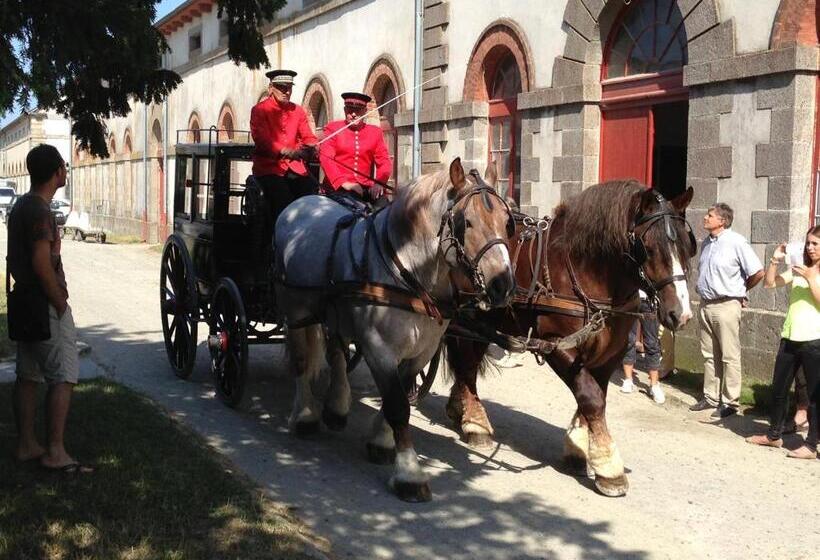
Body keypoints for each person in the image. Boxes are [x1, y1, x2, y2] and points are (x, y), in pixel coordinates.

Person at [7, 144, 91, 474]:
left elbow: (27, 260)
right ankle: (55, 451)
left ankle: (27, 443)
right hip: (43, 305)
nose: (65, 172)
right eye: (64, 167)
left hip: (24, 302)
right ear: (57, 172)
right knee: (63, 376)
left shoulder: (21, 206)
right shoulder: (41, 212)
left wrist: (54, 252)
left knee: (27, 375)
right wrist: (59, 303)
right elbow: (41, 264)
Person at [745, 227, 820, 459]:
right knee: (779, 389)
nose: (810, 248)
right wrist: (775, 261)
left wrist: (811, 279)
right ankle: (773, 435)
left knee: (815, 396)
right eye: (808, 243)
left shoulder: (810, 274)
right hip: (790, 336)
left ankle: (811, 445)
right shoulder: (799, 270)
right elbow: (770, 284)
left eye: (816, 244)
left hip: (814, 339)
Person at [690, 203, 763, 418]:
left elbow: (758, 271)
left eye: (710, 215)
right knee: (709, 354)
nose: (705, 218)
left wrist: (740, 292)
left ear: (722, 221)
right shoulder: (707, 244)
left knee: (729, 355)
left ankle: (730, 401)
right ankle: (711, 396)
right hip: (706, 304)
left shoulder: (736, 242)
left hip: (727, 304)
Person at [250, 69, 318, 224]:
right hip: (269, 169)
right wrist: (285, 151)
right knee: (284, 202)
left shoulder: (298, 111)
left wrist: (312, 146)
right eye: (282, 87)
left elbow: (308, 135)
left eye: (289, 87)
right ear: (271, 88)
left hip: (295, 168)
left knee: (313, 196)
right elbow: (262, 140)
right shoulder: (259, 110)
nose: (287, 91)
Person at [318, 92, 391, 206]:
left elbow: (384, 161)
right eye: (349, 110)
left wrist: (379, 183)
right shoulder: (333, 128)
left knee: (385, 211)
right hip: (339, 187)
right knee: (358, 211)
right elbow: (326, 158)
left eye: (358, 110)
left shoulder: (375, 132)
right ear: (344, 110)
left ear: (365, 111)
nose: (353, 114)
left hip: (366, 186)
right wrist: (343, 182)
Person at [621, 291, 665, 404]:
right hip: (630, 299)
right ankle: (628, 379)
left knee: (652, 343)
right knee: (629, 339)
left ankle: (654, 385)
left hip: (649, 301)